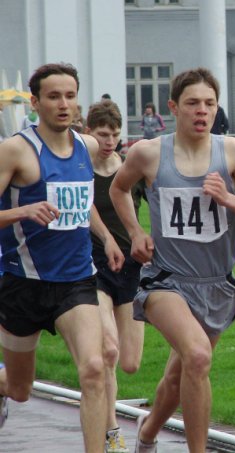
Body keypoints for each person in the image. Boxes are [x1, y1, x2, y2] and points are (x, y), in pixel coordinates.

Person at [109, 67, 235, 452]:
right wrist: (135, 232)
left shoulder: (233, 152)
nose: (202, 111)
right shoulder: (149, 153)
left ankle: (148, 431)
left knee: (180, 375)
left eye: (209, 104)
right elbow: (119, 189)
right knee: (198, 356)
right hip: (165, 280)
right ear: (173, 107)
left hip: (216, 283)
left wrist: (228, 198)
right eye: (192, 103)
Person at [0, 62, 124, 453]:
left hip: (76, 281)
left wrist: (107, 237)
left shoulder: (87, 146)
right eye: (54, 96)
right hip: (22, 284)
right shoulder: (16, 150)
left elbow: (82, 202)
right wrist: (23, 210)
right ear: (35, 102)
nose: (63, 104)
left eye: (70, 96)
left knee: (94, 368)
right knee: (20, 389)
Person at [86, 100, 146, 453]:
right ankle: (111, 432)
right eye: (102, 134)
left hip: (131, 267)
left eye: (114, 135)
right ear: (89, 133)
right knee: (108, 350)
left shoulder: (129, 170)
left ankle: (137, 423)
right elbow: (85, 208)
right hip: (94, 264)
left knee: (130, 362)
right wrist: (106, 239)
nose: (109, 141)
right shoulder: (82, 170)